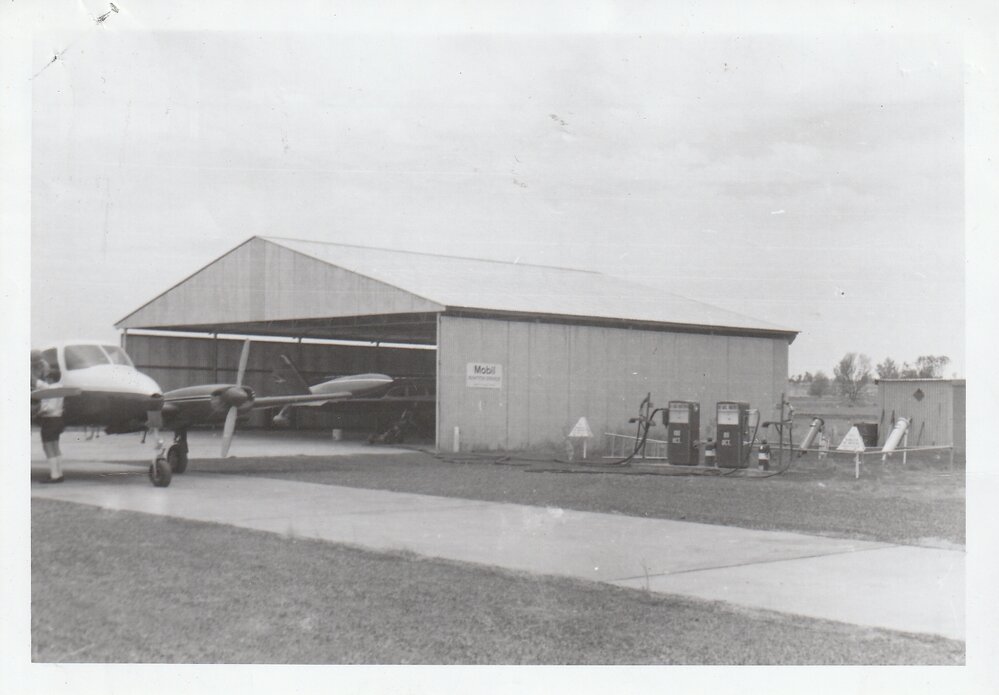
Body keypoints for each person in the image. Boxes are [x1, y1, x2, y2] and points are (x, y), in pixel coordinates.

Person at [32, 351, 65, 483]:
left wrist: (39, 412)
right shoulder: (60, 387)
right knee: (55, 446)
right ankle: (59, 473)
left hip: (49, 420)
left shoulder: (49, 389)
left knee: (48, 447)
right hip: (58, 420)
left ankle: (54, 475)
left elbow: (49, 407)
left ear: (50, 379)